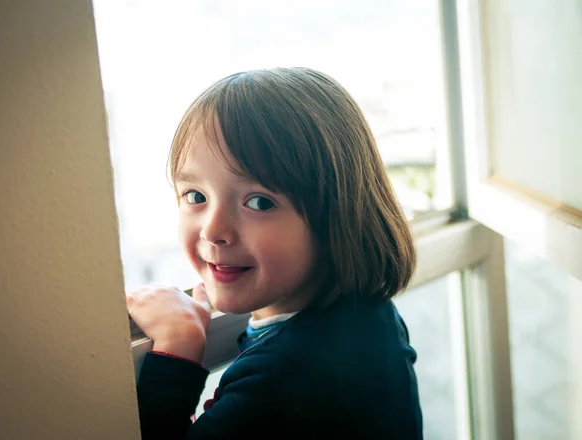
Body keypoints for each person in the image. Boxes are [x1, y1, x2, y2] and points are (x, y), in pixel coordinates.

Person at [126, 67, 422, 439]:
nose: (214, 230)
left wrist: (177, 347)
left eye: (259, 202)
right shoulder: (365, 316)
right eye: (196, 196)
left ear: (336, 215)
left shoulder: (287, 376)